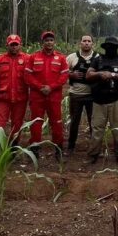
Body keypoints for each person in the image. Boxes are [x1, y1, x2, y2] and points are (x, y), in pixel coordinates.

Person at [85, 36, 118, 164]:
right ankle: (93, 154)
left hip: (117, 99)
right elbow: (88, 75)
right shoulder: (97, 60)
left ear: (117, 48)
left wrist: (112, 75)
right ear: (105, 48)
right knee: (97, 128)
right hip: (99, 99)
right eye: (108, 47)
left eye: (113, 47)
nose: (110, 49)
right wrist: (100, 74)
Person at [25, 30, 69, 160]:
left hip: (54, 96)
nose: (49, 42)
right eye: (46, 40)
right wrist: (40, 87)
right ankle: (34, 151)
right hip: (37, 96)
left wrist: (51, 87)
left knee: (57, 123)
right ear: (42, 42)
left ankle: (58, 151)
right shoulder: (33, 57)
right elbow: (27, 75)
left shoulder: (61, 58)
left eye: (51, 40)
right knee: (36, 123)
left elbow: (64, 76)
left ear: (54, 42)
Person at [0, 34, 29, 145]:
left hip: (20, 98)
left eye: (16, 45)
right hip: (3, 97)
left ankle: (14, 147)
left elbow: (33, 75)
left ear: (20, 45)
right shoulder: (0, 59)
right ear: (7, 45)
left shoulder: (27, 59)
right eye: (12, 45)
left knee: (17, 124)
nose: (14, 47)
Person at [65, 35, 98, 154]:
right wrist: (71, 75)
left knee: (93, 122)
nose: (87, 43)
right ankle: (70, 146)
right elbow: (62, 72)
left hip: (92, 95)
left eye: (89, 41)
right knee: (74, 121)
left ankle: (94, 148)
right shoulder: (71, 57)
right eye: (84, 41)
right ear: (80, 43)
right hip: (76, 95)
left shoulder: (97, 57)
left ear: (92, 44)